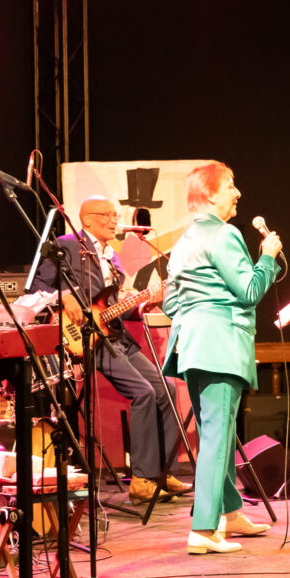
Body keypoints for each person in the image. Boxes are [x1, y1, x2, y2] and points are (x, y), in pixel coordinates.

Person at [30, 196, 191, 505]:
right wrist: (63, 295)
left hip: (116, 337)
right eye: (105, 215)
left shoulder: (112, 257)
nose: (113, 220)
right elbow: (36, 287)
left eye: (115, 214)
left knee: (167, 390)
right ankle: (142, 479)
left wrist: (144, 304)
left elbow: (114, 307)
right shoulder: (67, 245)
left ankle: (162, 473)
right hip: (88, 338)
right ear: (86, 219)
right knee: (143, 393)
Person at [162, 162, 281, 555]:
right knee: (216, 438)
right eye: (231, 186)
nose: (238, 193)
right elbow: (249, 291)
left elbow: (170, 302)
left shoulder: (184, 240)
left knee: (220, 435)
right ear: (211, 194)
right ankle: (203, 528)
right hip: (221, 346)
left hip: (192, 347)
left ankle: (230, 512)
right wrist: (268, 257)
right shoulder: (225, 234)